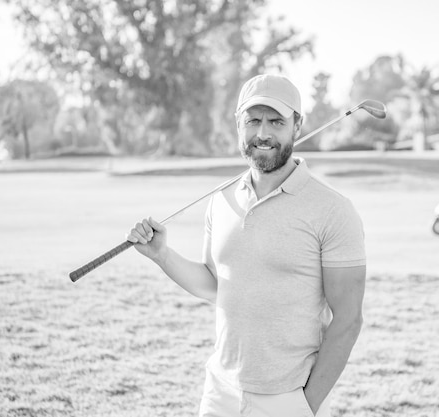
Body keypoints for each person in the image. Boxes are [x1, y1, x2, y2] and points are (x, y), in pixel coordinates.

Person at [126, 74, 367, 417]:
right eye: (253, 120)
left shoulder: (333, 210)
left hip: (289, 397)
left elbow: (348, 319)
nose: (263, 133)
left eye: (276, 121)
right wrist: (162, 255)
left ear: (297, 125)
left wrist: (305, 404)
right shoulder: (221, 199)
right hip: (220, 391)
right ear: (238, 124)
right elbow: (215, 285)